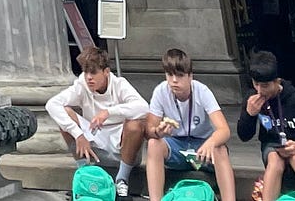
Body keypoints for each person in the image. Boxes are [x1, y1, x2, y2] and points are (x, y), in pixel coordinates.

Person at [45, 44, 150, 197]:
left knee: (136, 124)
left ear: (106, 72)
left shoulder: (119, 84)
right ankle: (84, 174)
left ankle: (122, 179)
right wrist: (78, 134)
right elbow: (52, 104)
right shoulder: (81, 85)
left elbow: (143, 108)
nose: (89, 78)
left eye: (93, 72)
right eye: (86, 72)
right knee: (65, 115)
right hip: (93, 140)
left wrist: (108, 112)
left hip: (122, 144)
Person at [146, 46, 236, 201]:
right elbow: (149, 130)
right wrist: (158, 132)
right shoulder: (161, 91)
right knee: (154, 144)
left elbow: (224, 130)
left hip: (202, 147)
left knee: (220, 148)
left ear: (190, 76)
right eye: (170, 75)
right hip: (177, 146)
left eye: (180, 76)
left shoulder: (202, 91)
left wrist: (211, 142)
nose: (174, 81)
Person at [236, 50, 295, 201]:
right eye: (255, 84)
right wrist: (249, 114)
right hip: (272, 144)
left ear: (277, 82)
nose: (259, 90)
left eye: (264, 85)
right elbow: (244, 136)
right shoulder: (252, 98)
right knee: (275, 160)